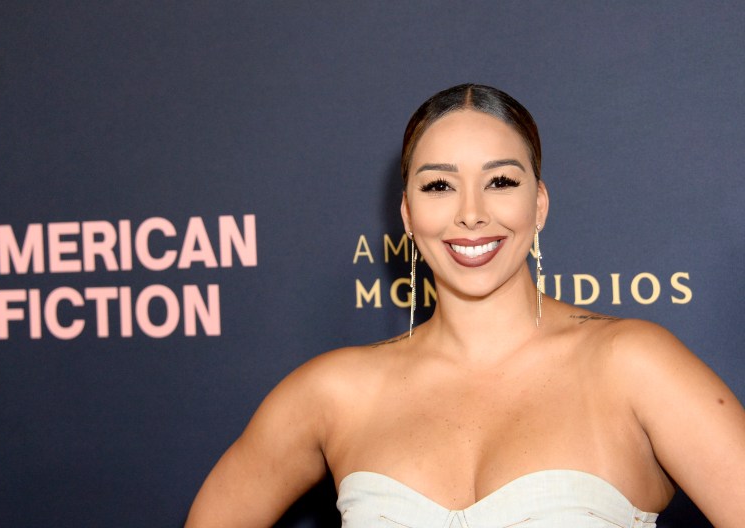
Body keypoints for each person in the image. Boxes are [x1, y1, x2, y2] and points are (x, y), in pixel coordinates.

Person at [185, 84, 745, 527]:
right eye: (438, 187)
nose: (471, 213)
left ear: (540, 203)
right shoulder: (334, 393)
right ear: (406, 214)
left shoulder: (633, 365)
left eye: (500, 180)